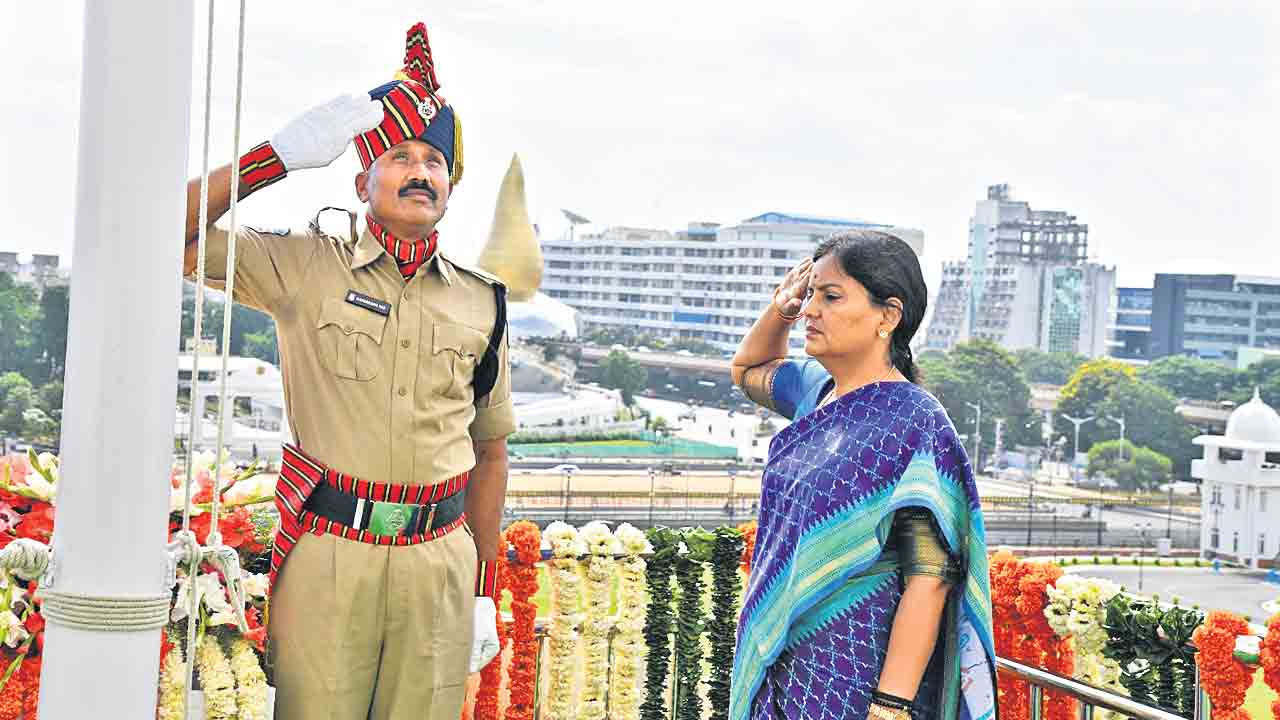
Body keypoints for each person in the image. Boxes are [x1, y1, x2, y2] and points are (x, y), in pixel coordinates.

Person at [181, 22, 512, 720]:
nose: (420, 171)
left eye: (434, 160)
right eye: (399, 155)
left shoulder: (483, 301)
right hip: (333, 555)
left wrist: (482, 587)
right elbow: (160, 232)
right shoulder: (304, 265)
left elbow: (489, 449)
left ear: (450, 184)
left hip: (439, 563)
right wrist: (272, 159)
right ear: (364, 178)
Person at [728, 231, 997, 720]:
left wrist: (889, 707)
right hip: (780, 659)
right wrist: (781, 310)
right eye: (812, 295)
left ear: (887, 316)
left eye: (830, 297)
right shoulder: (817, 393)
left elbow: (930, 578)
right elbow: (747, 368)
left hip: (852, 672)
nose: (812, 310)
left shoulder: (917, 424)